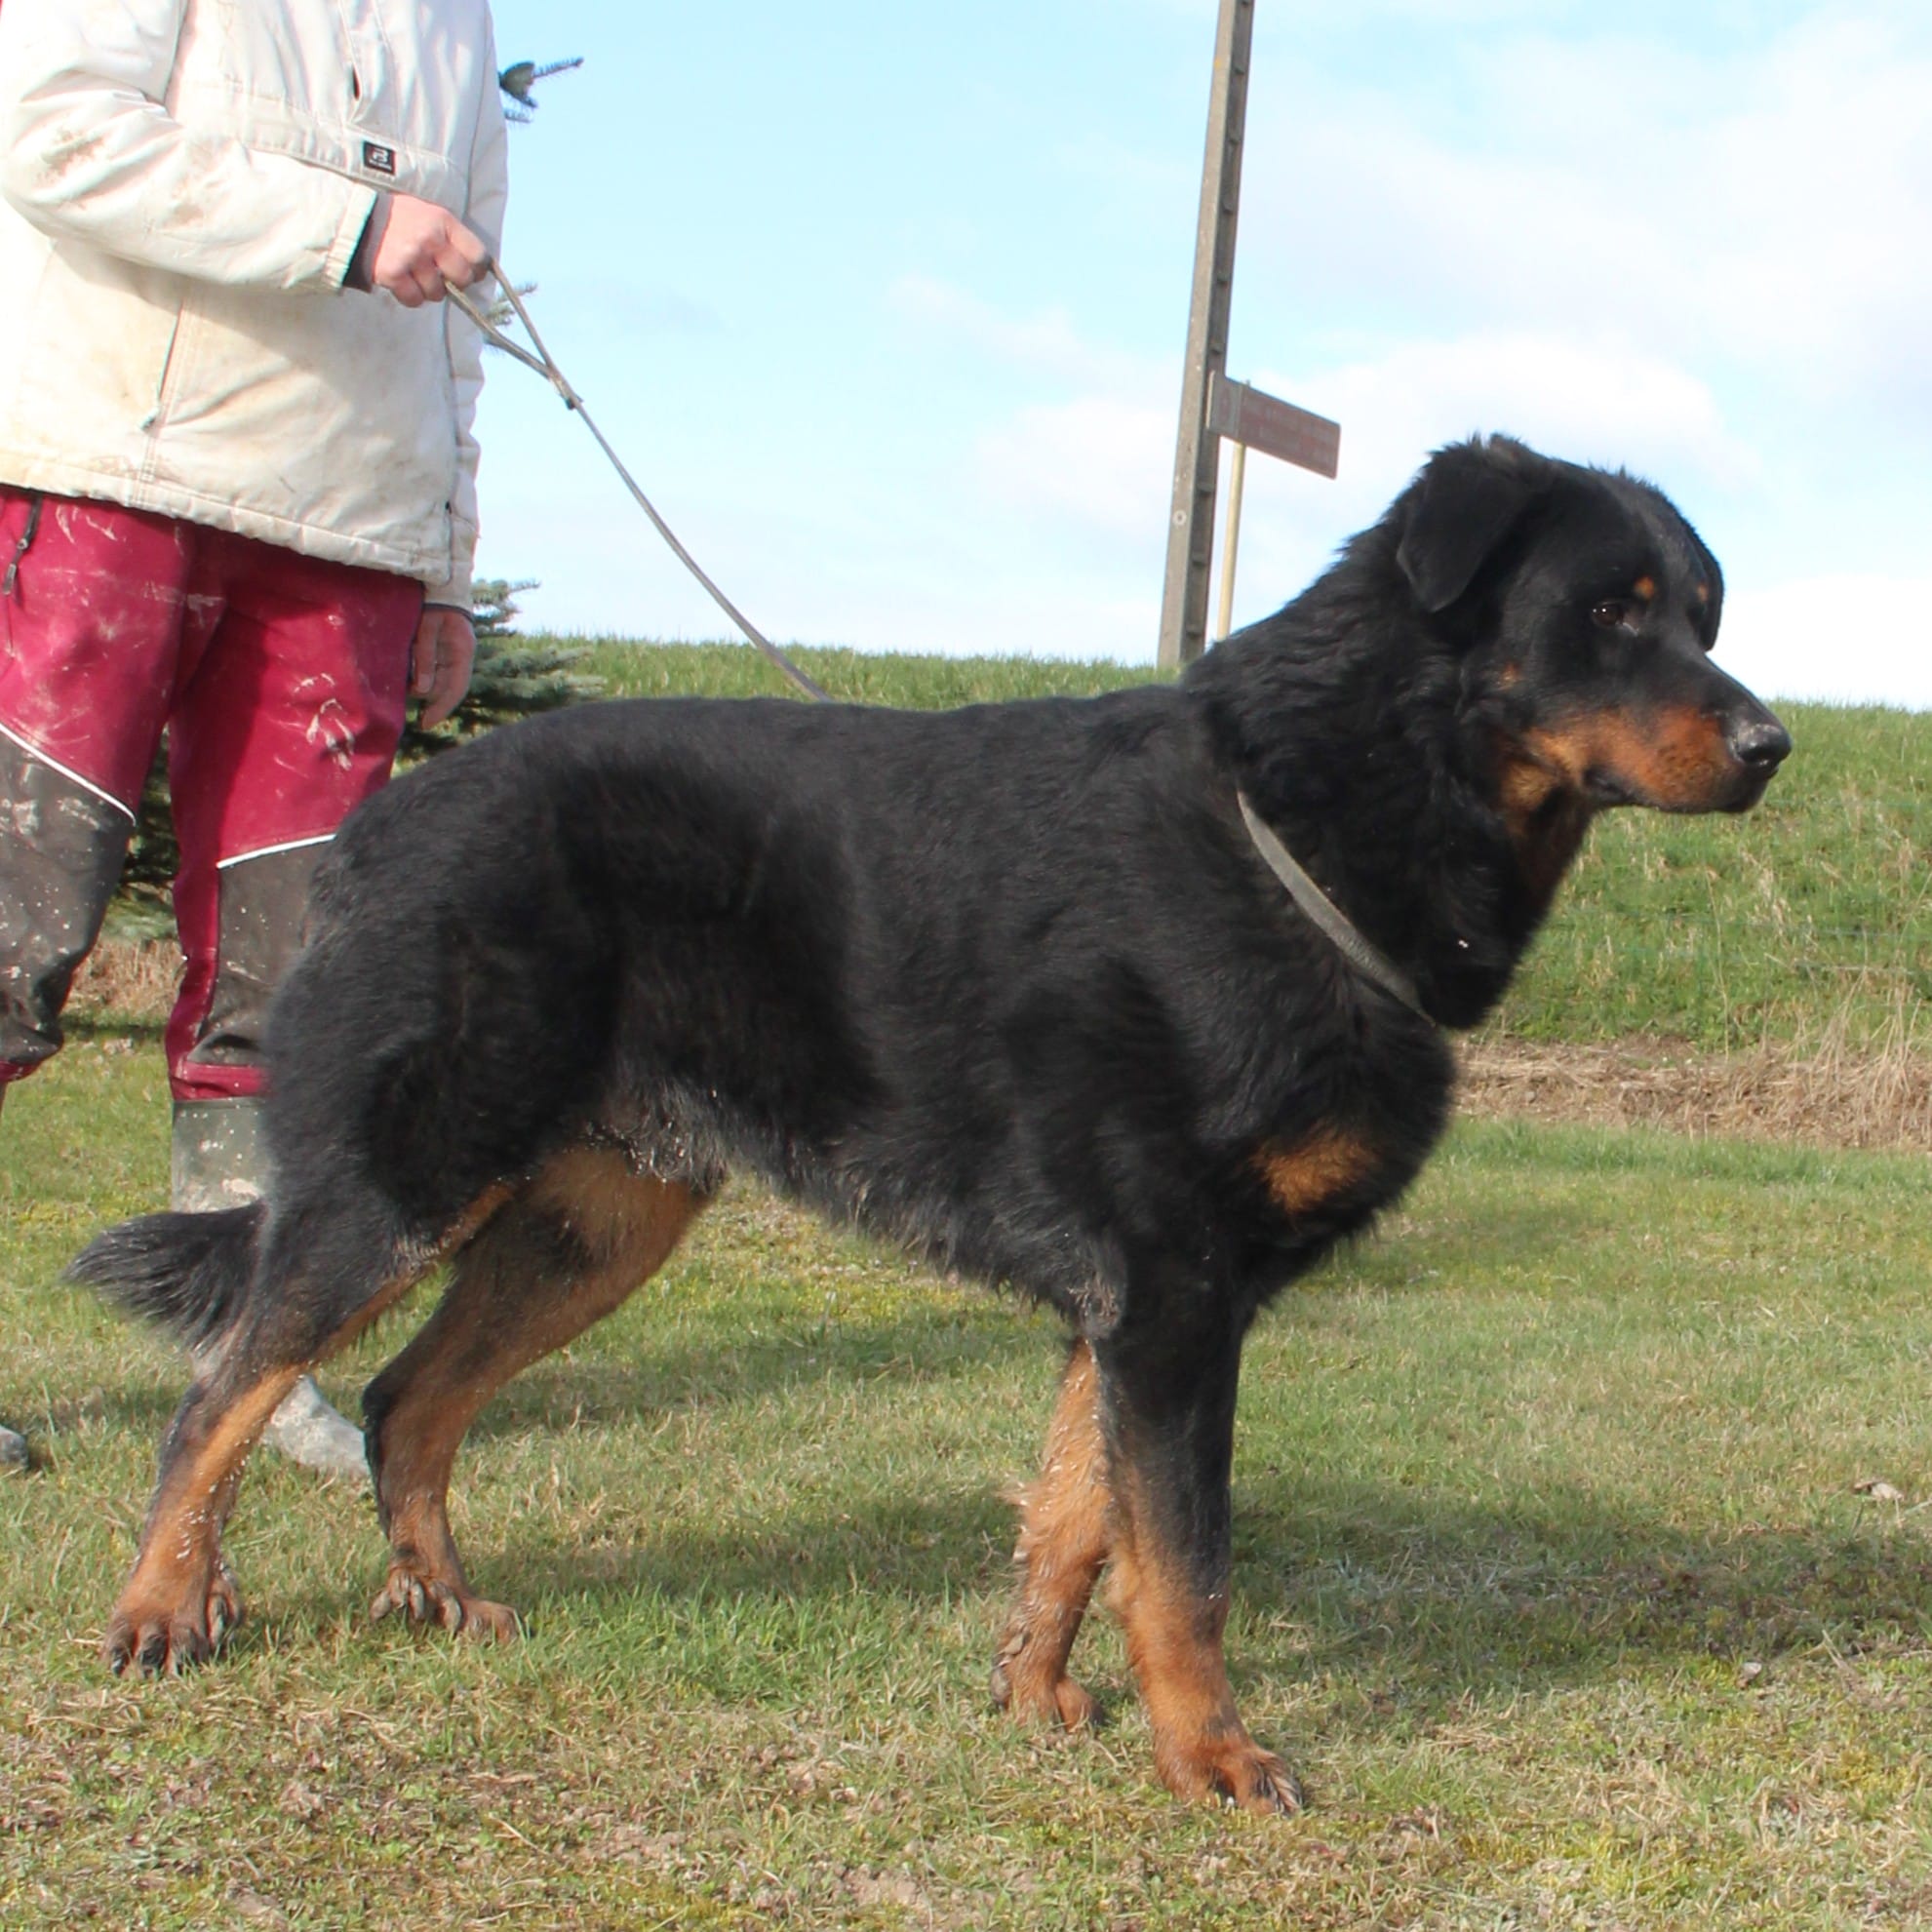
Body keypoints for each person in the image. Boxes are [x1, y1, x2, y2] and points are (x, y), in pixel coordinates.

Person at [0, 0, 509, 1477]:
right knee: (14, 925)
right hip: (103, 464)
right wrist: (345, 227)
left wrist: (443, 559)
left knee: (291, 987)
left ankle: (251, 1357)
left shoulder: (462, 22)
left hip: (349, 529)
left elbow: (461, 310)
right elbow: (51, 128)